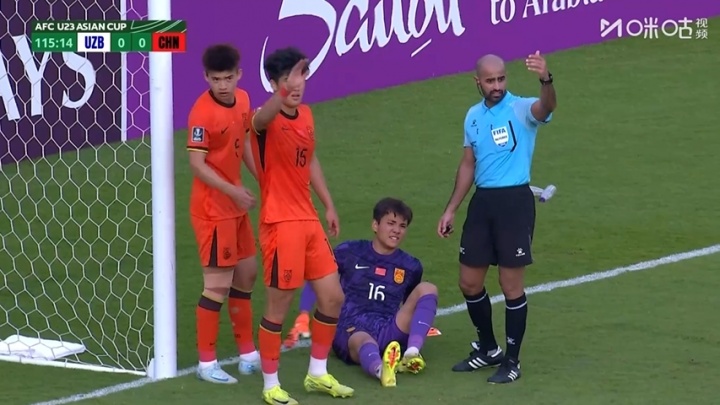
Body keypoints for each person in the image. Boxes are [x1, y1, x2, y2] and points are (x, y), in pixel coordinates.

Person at [436, 51, 557, 384]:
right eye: (490, 81)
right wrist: (451, 209)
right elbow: (468, 164)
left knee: (510, 284)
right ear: (477, 82)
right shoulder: (473, 116)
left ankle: (512, 361)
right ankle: (489, 349)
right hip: (483, 203)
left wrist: (546, 79)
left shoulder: (520, 108)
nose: (497, 86)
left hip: (514, 203)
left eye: (501, 78)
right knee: (469, 281)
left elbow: (546, 107)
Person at [249, 47, 352, 405]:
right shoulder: (262, 119)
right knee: (279, 306)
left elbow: (309, 160)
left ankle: (317, 374)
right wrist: (283, 90)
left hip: (308, 220)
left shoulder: (306, 115)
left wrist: (328, 204)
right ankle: (271, 385)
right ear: (274, 83)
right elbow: (263, 118)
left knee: (333, 297)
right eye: (287, 79)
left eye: (301, 77)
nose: (296, 85)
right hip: (280, 223)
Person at [186, 44, 260, 384]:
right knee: (217, 285)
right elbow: (197, 164)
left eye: (228, 78)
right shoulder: (201, 114)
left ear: (239, 75)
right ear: (206, 78)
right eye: (216, 80)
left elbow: (244, 143)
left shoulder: (243, 100)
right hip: (213, 210)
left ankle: (247, 355)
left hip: (235, 205)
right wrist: (233, 190)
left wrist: (263, 179)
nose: (223, 86)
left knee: (246, 275)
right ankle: (207, 364)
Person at [309, 198, 438, 387]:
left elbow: (410, 301)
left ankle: (411, 354)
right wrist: (310, 314)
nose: (396, 230)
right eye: (391, 223)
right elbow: (320, 280)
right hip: (351, 327)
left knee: (428, 288)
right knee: (363, 340)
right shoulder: (349, 252)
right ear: (375, 225)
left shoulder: (411, 266)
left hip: (388, 327)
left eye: (402, 226)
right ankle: (381, 370)